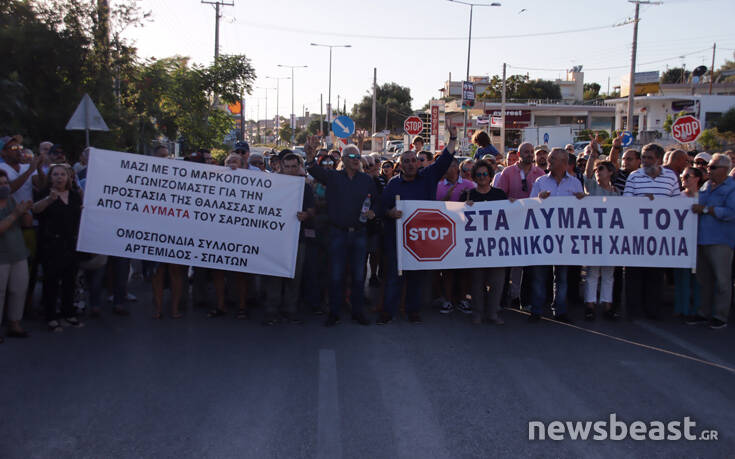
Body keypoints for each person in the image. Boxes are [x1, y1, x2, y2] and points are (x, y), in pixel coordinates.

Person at [377, 126, 457, 324]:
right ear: (401, 165)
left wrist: (453, 137)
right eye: (406, 161)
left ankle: (413, 311)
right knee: (395, 277)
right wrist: (390, 213)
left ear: (418, 163)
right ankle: (388, 312)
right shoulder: (393, 184)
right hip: (398, 240)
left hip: (421, 239)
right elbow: (381, 208)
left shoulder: (428, 176)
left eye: (414, 160)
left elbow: (446, 158)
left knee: (417, 277)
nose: (411, 164)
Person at [305, 140, 377, 326]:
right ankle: (334, 313)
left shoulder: (367, 180)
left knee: (359, 276)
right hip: (337, 233)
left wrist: (373, 211)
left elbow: (377, 201)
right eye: (352, 156)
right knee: (336, 275)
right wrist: (310, 156)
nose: (356, 159)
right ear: (344, 160)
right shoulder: (333, 177)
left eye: (358, 156)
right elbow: (314, 170)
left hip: (359, 233)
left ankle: (357, 311)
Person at [623, 143, 680, 320]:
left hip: (659, 236)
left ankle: (653, 309)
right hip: (637, 235)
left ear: (659, 160)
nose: (646, 161)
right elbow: (625, 201)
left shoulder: (671, 177)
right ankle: (634, 310)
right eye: (644, 157)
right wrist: (641, 202)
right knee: (635, 275)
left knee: (655, 275)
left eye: (650, 158)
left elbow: (677, 203)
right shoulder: (634, 176)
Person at [528, 148, 585, 323]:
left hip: (565, 238)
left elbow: (582, 210)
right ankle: (536, 310)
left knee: (561, 276)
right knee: (539, 276)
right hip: (543, 235)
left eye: (553, 159)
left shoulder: (575, 183)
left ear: (564, 163)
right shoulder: (540, 181)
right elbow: (530, 206)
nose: (549, 161)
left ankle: (560, 310)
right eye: (550, 158)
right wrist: (538, 199)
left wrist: (583, 200)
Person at [262, 153, 315, 325]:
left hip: (297, 239)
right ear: (280, 167)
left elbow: (312, 209)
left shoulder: (305, 187)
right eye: (287, 167)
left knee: (294, 276)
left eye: (294, 166)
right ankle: (271, 311)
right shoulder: (271, 185)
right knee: (274, 276)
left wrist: (306, 214)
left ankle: (290, 310)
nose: (291, 170)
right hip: (275, 239)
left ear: (299, 167)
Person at [492, 142, 545, 309]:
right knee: (508, 264)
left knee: (527, 264)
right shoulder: (507, 172)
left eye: (531, 152)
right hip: (511, 223)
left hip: (532, 224)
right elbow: (499, 197)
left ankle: (524, 298)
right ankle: (506, 297)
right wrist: (509, 202)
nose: (530, 154)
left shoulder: (540, 173)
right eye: (526, 152)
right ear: (519, 154)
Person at [32, 164, 84, 332]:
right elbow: (35, 210)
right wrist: (49, 200)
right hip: (51, 245)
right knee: (51, 281)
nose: (60, 177)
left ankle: (68, 312)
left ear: (69, 178)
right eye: (56, 174)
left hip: (71, 244)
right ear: (51, 177)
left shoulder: (75, 195)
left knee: (70, 280)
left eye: (63, 174)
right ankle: (51, 316)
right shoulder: (44, 194)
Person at [689, 153, 735, 329]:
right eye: (709, 166)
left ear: (724, 169)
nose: (709, 169)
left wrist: (707, 210)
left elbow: (731, 212)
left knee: (722, 280)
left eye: (713, 167)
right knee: (703, 280)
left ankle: (720, 315)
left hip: (720, 240)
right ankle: (703, 312)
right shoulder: (706, 185)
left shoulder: (732, 188)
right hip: (701, 239)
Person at [461, 160, 507, 325]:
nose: (482, 177)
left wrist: (516, 205)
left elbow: (509, 216)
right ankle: (477, 313)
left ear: (490, 176)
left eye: (485, 174)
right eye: (478, 175)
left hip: (496, 246)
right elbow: (458, 218)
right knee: (477, 281)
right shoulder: (467, 195)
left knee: (497, 281)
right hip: (475, 246)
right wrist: (464, 208)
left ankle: (493, 313)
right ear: (474, 177)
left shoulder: (500, 194)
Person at [582, 141, 620, 320]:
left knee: (608, 274)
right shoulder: (593, 188)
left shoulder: (616, 193)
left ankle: (607, 305)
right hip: (594, 237)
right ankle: (589, 305)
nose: (598, 173)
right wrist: (593, 154)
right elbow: (587, 174)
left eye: (601, 170)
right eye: (597, 170)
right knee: (592, 272)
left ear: (610, 172)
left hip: (610, 238)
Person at [435, 158, 476, 314]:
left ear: (456, 168)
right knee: (447, 270)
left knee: (464, 270)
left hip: (465, 232)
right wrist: (447, 198)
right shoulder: (438, 186)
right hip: (445, 233)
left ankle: (463, 300)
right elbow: (434, 209)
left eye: (449, 165)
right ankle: (447, 300)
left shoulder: (468, 185)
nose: (446, 168)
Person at [0, 169, 33, 341]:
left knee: (19, 290)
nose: (4, 187)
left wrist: (25, 211)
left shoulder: (11, 200)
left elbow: (26, 224)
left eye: (6, 183)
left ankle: (15, 324)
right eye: (0, 184)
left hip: (18, 254)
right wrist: (15, 214)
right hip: (1, 258)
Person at [674, 166, 704, 321]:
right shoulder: (677, 198)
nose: (683, 179)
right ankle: (681, 310)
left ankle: (696, 310)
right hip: (681, 244)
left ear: (696, 178)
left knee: (697, 279)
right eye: (682, 176)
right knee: (681, 278)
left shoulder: (704, 197)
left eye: (686, 176)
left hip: (699, 242)